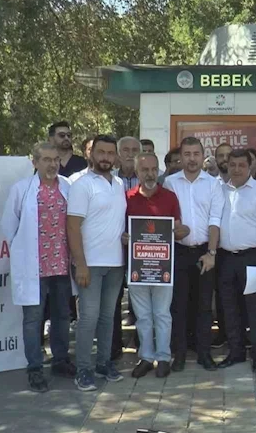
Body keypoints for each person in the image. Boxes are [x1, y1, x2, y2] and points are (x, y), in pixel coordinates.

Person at [1, 142, 76, 392]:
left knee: (62, 315)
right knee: (33, 319)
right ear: (35, 162)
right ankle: (34, 368)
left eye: (56, 159)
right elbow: (8, 226)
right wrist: (22, 252)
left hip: (62, 266)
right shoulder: (22, 189)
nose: (52, 164)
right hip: (34, 267)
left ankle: (60, 361)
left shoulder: (67, 186)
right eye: (46, 159)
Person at [67, 135, 127, 391]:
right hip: (89, 264)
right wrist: (80, 264)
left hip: (115, 263)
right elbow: (72, 226)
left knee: (107, 317)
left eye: (110, 153)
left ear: (116, 156)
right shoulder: (82, 185)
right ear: (91, 154)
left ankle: (103, 363)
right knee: (88, 318)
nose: (105, 157)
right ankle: (83, 369)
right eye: (101, 152)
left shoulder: (119, 183)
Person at [125, 153, 190, 379]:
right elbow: (121, 229)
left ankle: (163, 357)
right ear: (137, 172)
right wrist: (124, 237)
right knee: (143, 316)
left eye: (154, 169)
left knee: (162, 314)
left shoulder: (169, 197)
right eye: (145, 170)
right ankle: (145, 357)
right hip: (137, 267)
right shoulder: (127, 198)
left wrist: (182, 231)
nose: (150, 174)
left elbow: (178, 227)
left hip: (163, 267)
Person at [163, 137, 223, 372]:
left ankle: (204, 353)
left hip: (204, 252)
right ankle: (179, 353)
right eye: (187, 154)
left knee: (204, 306)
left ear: (202, 155)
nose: (191, 159)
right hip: (178, 251)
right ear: (181, 157)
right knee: (178, 305)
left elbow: (215, 220)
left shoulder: (213, 184)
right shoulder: (170, 183)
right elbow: (166, 218)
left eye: (196, 154)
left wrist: (211, 252)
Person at [217, 149, 256, 372]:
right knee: (230, 308)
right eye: (233, 165)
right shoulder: (220, 190)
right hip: (226, 258)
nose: (236, 169)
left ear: (250, 166)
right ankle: (236, 352)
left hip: (253, 257)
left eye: (241, 165)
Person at [111, 136, 141, 360]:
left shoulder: (152, 177)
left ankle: (141, 342)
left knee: (141, 299)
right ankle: (113, 347)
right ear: (118, 154)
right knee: (113, 300)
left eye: (134, 150)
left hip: (143, 250)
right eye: (126, 150)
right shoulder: (109, 179)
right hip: (113, 248)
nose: (130, 154)